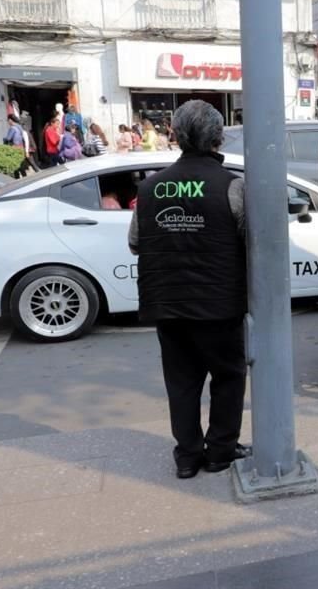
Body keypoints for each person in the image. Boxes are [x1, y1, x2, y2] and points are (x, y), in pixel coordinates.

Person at [128, 100, 249, 480]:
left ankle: (187, 457)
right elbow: (250, 240)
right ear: (218, 138)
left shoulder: (149, 188)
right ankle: (221, 452)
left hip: (166, 303)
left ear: (176, 136)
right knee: (227, 377)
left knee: (181, 384)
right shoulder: (232, 186)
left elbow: (135, 243)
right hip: (218, 304)